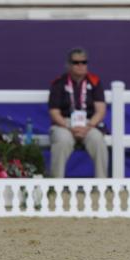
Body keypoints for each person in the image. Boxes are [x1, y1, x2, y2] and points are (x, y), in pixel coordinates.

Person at [48, 47, 109, 178]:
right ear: (68, 65)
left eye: (84, 62)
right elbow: (54, 112)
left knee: (98, 140)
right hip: (64, 124)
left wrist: (87, 127)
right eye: (76, 62)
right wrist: (69, 127)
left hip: (88, 123)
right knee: (62, 140)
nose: (80, 66)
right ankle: (55, 186)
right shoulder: (59, 83)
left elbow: (100, 110)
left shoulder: (95, 82)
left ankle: (102, 185)